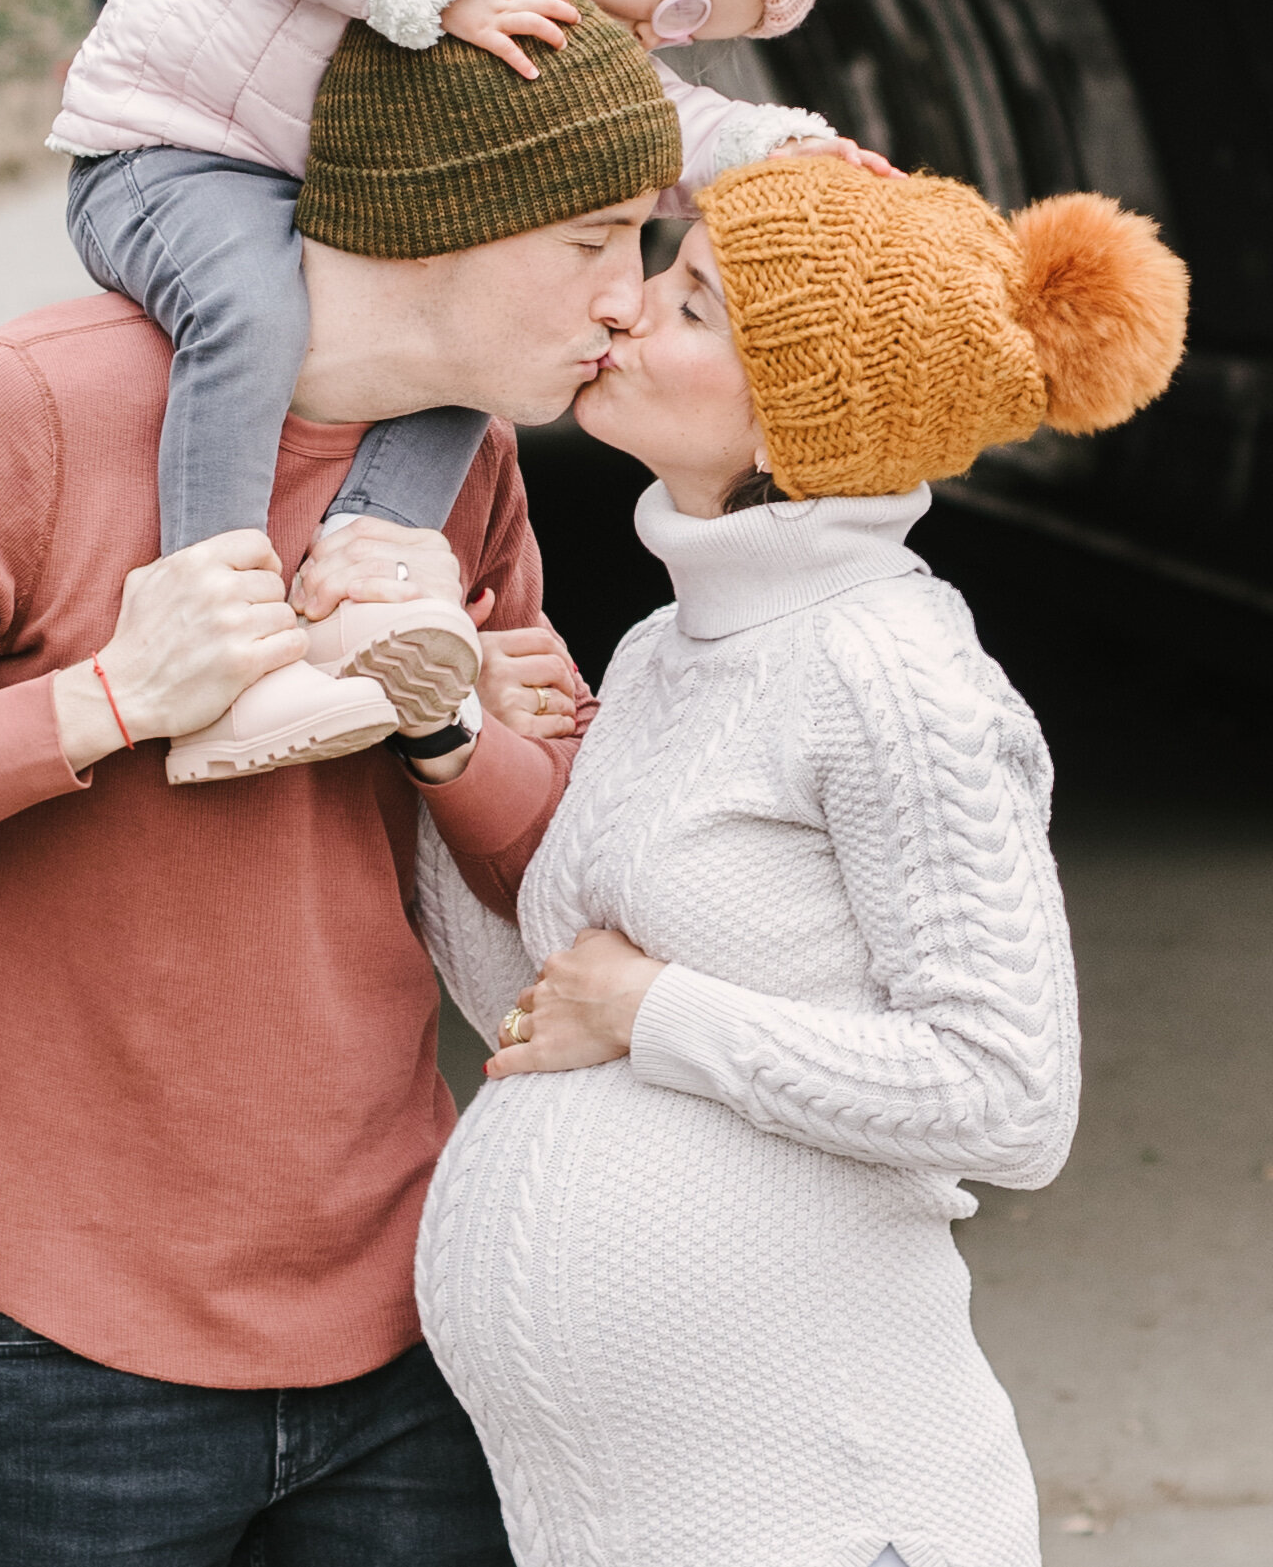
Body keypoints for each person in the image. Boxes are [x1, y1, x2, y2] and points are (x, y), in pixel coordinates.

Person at [0, 3, 680, 1567]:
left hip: (410, 1314)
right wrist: (106, 699)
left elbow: (555, 879)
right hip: (61, 1352)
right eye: (597, 238)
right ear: (442, 207)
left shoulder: (460, 463)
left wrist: (447, 716)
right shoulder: (21, 414)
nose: (632, 302)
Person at [413, 151, 1191, 1567]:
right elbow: (539, 1020)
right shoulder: (666, 649)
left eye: (694, 304)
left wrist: (657, 1012)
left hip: (835, 1522)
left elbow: (1009, 1093)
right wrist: (441, 746)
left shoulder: (890, 674)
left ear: (802, 419)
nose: (632, 308)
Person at [54, 0, 931, 781]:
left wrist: (777, 148)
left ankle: (365, 565)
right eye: (685, 0)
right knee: (254, 316)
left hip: (318, 190)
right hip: (170, 147)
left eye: (699, 34)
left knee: (491, 344)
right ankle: (215, 644)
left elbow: (631, 124)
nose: (666, 35)